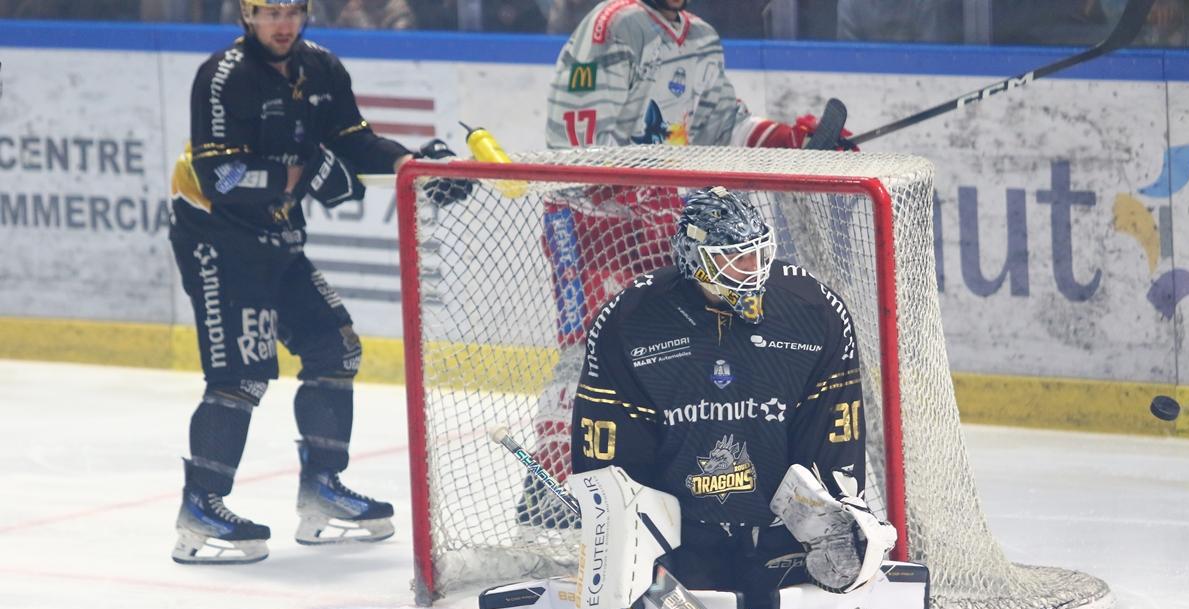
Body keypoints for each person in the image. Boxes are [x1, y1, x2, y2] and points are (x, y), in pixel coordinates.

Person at [521, 0, 852, 527]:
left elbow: (723, 125)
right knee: (590, 348)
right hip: (591, 218)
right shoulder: (615, 25)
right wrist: (636, 187)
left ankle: (656, 484)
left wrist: (789, 141)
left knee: (679, 346)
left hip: (663, 214)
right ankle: (555, 489)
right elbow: (578, 139)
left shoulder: (700, 37)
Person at [168, 0, 465, 563]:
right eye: (268, 12)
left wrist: (415, 169)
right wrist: (300, 173)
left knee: (335, 347)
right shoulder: (223, 76)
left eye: (291, 11)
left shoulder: (321, 67)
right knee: (241, 374)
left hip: (276, 232)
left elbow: (355, 142)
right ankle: (200, 507)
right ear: (246, 15)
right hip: (216, 237)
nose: (282, 24)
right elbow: (220, 175)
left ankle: (322, 489)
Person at [570, 186, 876, 609]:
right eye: (734, 259)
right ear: (694, 260)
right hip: (683, 538)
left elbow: (834, 431)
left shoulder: (813, 311)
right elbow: (608, 447)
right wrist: (620, 547)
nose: (753, 269)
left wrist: (838, 516)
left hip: (781, 536)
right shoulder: (630, 320)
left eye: (758, 254)